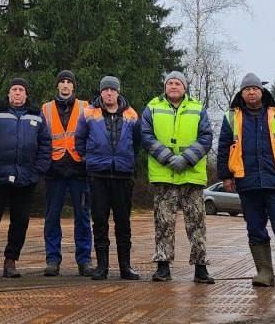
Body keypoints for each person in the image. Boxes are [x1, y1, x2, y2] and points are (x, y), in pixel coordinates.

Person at [217, 72, 275, 290]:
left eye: (255, 88)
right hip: (247, 183)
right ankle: (264, 272)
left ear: (262, 91)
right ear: (241, 93)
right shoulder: (232, 117)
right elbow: (223, 148)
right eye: (247, 89)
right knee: (255, 228)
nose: (251, 92)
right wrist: (226, 176)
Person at [0, 77, 51, 280]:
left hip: (26, 179)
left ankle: (11, 261)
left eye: (21, 90)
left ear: (26, 94)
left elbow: (45, 144)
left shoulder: (37, 116)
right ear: (8, 93)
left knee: (20, 221)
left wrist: (37, 170)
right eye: (14, 89)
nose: (17, 93)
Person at [141, 70, 215, 284]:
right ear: (165, 87)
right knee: (163, 223)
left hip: (191, 176)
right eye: (170, 83)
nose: (173, 86)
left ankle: (201, 268)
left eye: (177, 83)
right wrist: (167, 157)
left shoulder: (198, 108)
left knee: (197, 224)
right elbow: (146, 135)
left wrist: (186, 159)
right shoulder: (152, 107)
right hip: (164, 176)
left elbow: (206, 137)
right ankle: (163, 267)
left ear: (184, 87)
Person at [75, 75, 142, 281]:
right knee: (100, 222)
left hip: (122, 175)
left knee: (123, 223)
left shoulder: (131, 114)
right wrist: (90, 158)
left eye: (112, 90)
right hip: (98, 175)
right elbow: (79, 139)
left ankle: (125, 266)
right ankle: (102, 266)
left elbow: (137, 142)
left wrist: (127, 158)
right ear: (101, 92)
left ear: (118, 92)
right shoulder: (88, 113)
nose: (109, 93)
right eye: (105, 90)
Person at [41, 69, 93, 277]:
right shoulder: (45, 108)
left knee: (82, 217)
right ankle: (53, 259)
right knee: (52, 217)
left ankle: (84, 260)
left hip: (79, 169)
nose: (65, 85)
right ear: (57, 86)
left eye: (68, 82)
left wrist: (88, 160)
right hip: (54, 170)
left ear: (73, 86)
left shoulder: (86, 107)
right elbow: (41, 138)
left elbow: (93, 136)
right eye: (61, 82)